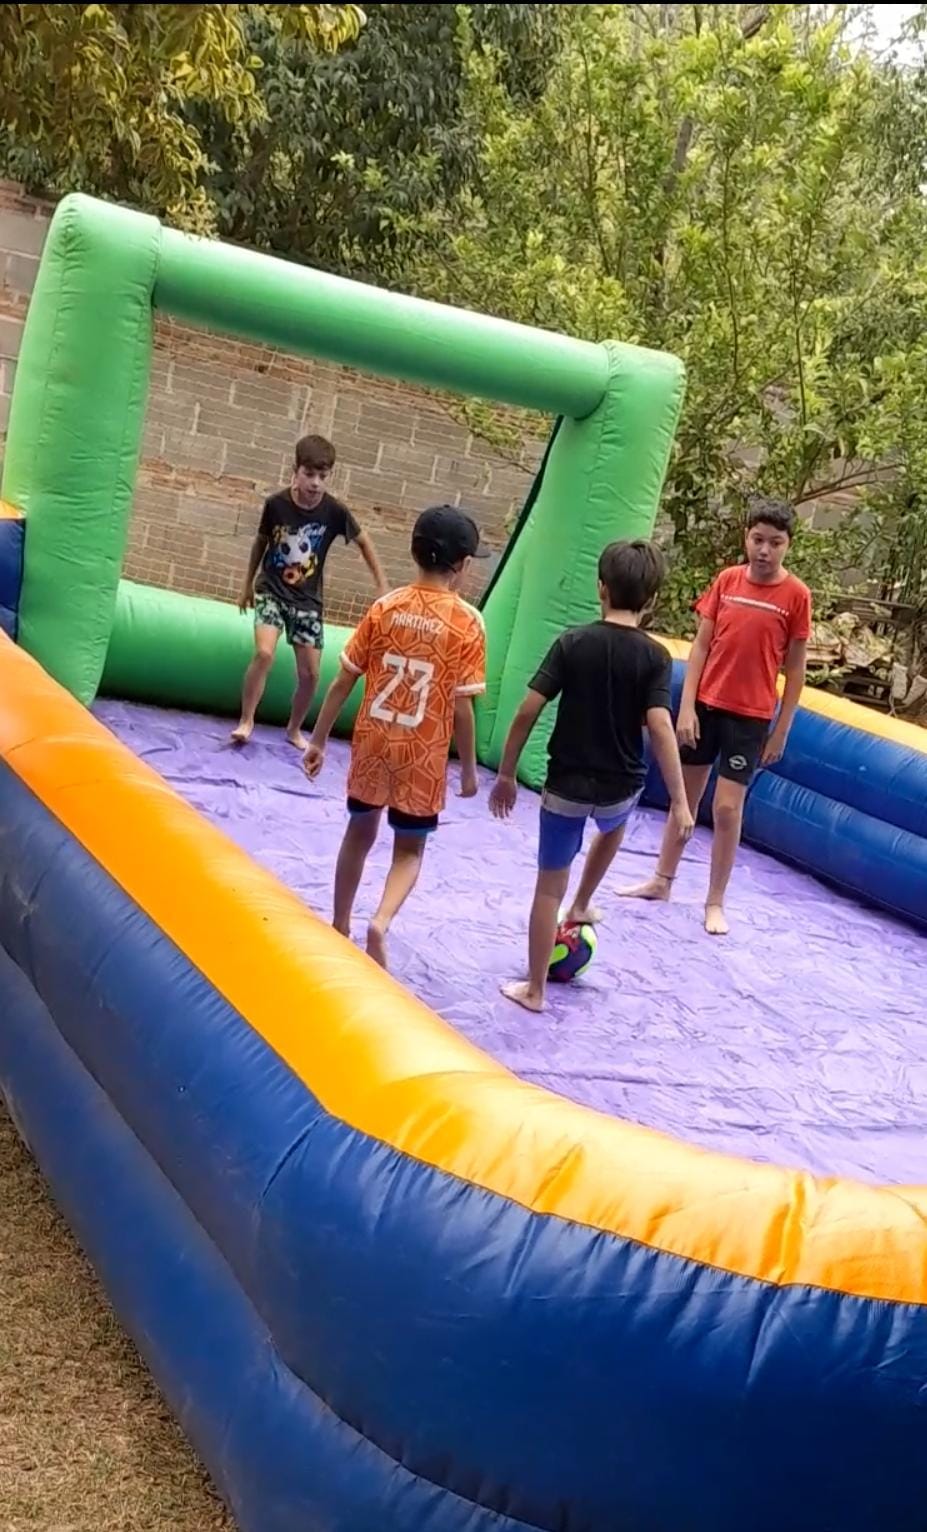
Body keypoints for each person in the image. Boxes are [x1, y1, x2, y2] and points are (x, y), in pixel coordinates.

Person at [489, 540, 695, 1014]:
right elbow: (660, 725)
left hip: (567, 786)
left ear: (600, 588)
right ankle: (582, 901)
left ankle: (536, 990)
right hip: (621, 785)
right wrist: (681, 801)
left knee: (547, 888)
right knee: (614, 822)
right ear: (653, 600)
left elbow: (528, 709)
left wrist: (505, 773)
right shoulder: (656, 657)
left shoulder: (573, 642)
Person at [304, 505, 487, 969]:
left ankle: (340, 922)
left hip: (374, 742)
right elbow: (463, 707)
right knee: (409, 849)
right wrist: (466, 768)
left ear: (413, 551)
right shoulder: (467, 623)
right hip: (421, 752)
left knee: (358, 832)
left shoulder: (385, 607)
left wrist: (319, 739)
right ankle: (380, 921)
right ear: (463, 566)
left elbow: (343, 679)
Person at [622, 496, 812, 935]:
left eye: (776, 543)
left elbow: (796, 668)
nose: (764, 551)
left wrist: (781, 729)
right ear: (746, 538)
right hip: (706, 705)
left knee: (727, 809)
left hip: (750, 716)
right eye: (758, 540)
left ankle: (714, 899)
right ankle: (662, 879)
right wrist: (686, 706)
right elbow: (702, 646)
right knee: (683, 799)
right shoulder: (727, 581)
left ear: (788, 546)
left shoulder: (796, 596)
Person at [232, 433, 387, 748]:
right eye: (309, 474)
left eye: (322, 476)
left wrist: (381, 585)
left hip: (307, 600)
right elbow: (260, 543)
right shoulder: (276, 504)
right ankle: (246, 720)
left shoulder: (334, 512)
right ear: (296, 471)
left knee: (312, 674)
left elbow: (364, 541)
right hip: (272, 591)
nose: (316, 483)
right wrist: (247, 585)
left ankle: (293, 729)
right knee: (264, 653)